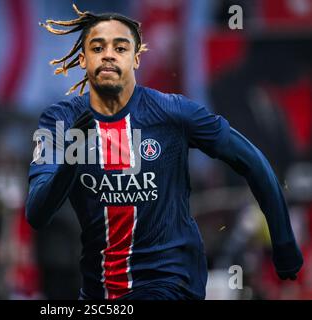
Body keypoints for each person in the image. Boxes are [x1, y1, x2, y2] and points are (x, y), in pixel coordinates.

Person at [25, 5, 303, 300]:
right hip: (100, 292)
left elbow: (252, 161)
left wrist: (284, 244)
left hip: (172, 285)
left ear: (136, 58)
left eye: (120, 47)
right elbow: (37, 213)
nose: (108, 55)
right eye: (97, 47)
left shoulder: (174, 113)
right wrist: (71, 158)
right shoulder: (59, 121)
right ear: (83, 58)